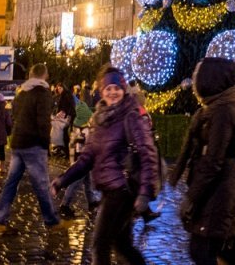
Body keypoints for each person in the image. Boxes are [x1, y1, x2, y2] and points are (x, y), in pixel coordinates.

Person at [51, 67, 158, 265]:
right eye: (108, 88)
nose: (112, 92)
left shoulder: (131, 115)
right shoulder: (99, 119)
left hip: (123, 190)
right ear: (101, 91)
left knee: (100, 245)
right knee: (122, 245)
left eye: (116, 88)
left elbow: (147, 154)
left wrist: (145, 192)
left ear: (123, 89)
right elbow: (87, 157)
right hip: (109, 190)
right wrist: (62, 180)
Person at [169, 57, 235, 265]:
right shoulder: (213, 107)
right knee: (207, 250)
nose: (194, 79)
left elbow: (213, 160)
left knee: (201, 251)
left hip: (220, 188)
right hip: (217, 188)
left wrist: (191, 197)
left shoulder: (223, 111)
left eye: (197, 74)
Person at [0, 62, 62, 235]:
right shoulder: (43, 93)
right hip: (33, 144)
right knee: (41, 184)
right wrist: (45, 144)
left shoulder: (21, 92)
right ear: (44, 75)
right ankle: (51, 221)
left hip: (18, 142)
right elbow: (43, 121)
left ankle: (0, 222)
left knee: (11, 183)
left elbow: (14, 114)